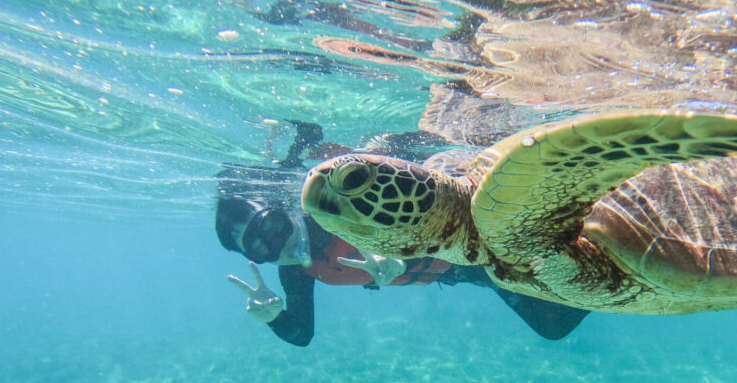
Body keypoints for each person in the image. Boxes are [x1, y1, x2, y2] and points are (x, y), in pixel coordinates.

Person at [216, 122, 588, 346]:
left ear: (285, 212)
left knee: (569, 255)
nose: (277, 244)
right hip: (464, 270)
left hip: (469, 229)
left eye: (273, 227)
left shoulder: (332, 212)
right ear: (254, 259)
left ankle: (612, 239)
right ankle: (623, 274)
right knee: (554, 323)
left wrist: (392, 250)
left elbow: (412, 182)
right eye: (260, 248)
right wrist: (273, 318)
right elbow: (302, 334)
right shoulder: (295, 273)